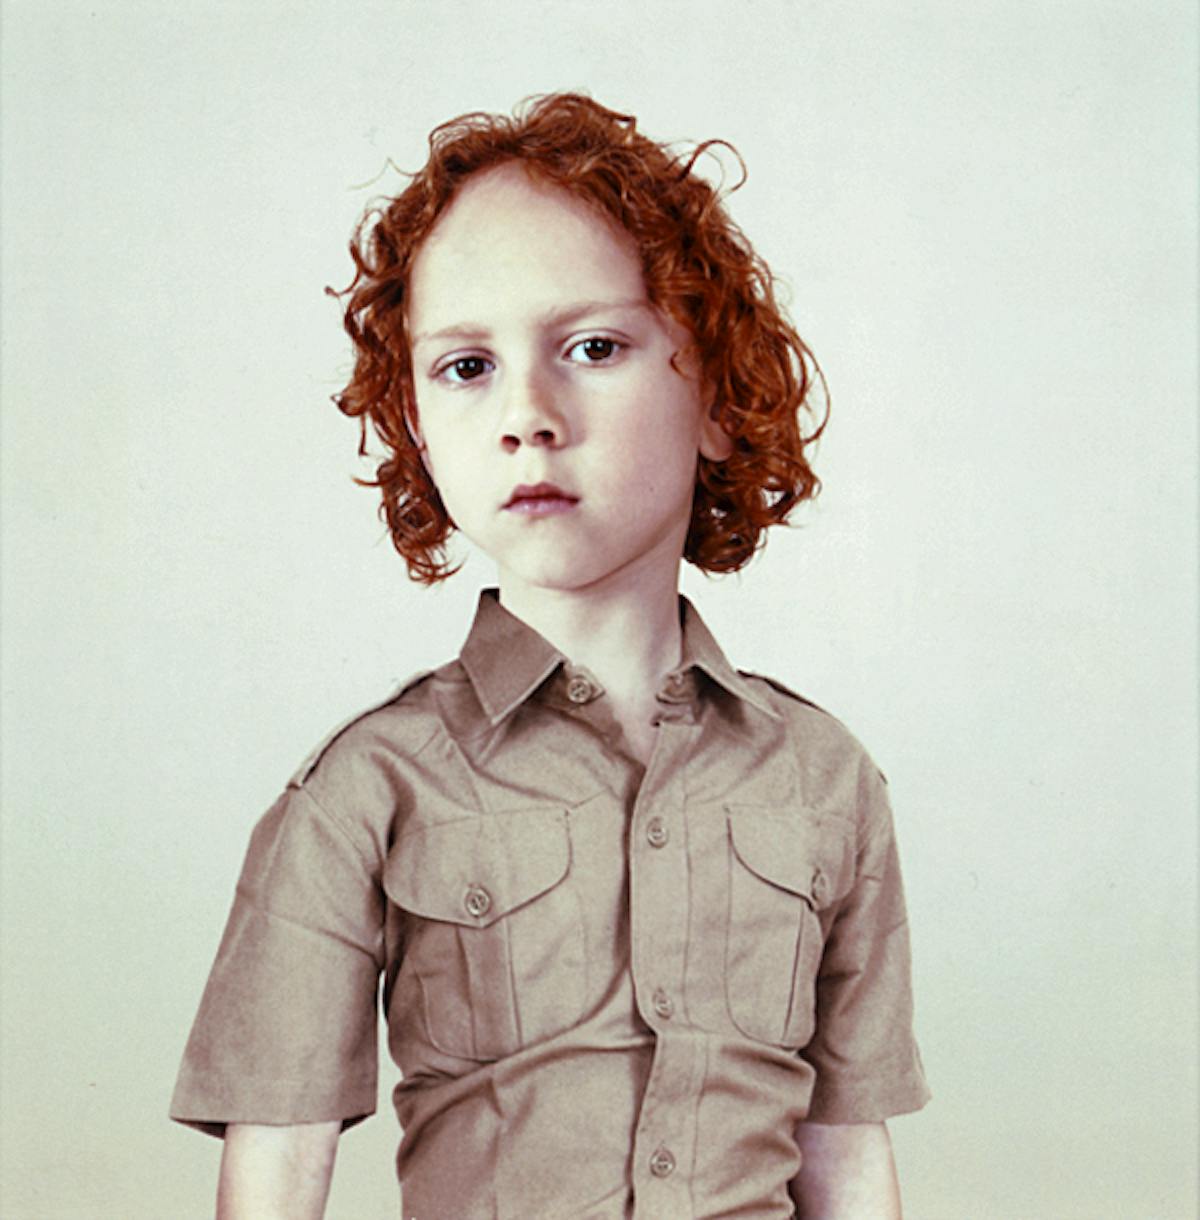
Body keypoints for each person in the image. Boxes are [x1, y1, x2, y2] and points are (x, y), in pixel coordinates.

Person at [171, 92, 929, 1219]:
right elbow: (276, 1167)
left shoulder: (825, 778)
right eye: (466, 366)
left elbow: (846, 1148)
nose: (527, 413)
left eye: (593, 347)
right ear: (417, 427)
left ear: (717, 396)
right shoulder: (366, 789)